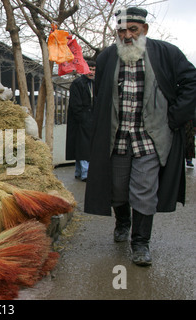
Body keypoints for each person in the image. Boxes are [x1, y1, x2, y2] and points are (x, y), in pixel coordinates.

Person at [84, 7, 196, 266]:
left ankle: (141, 243)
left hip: (150, 138)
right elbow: (100, 95)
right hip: (118, 138)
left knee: (144, 191)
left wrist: (176, 116)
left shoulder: (166, 53)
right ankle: (122, 221)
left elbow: (191, 81)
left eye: (132, 29)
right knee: (118, 190)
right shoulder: (107, 57)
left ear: (144, 29)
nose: (126, 35)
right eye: (121, 30)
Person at [65, 60, 96, 182]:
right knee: (83, 147)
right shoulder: (78, 83)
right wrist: (83, 118)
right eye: (90, 69)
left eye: (94, 70)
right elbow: (75, 104)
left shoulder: (96, 83)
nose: (91, 72)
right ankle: (85, 173)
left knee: (83, 147)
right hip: (81, 120)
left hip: (91, 119)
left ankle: (80, 171)